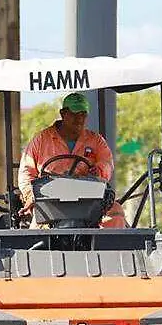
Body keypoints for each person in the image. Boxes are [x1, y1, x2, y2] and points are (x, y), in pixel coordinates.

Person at [18, 92, 127, 228]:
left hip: (88, 199)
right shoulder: (41, 140)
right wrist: (31, 197)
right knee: (37, 225)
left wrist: (98, 171)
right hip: (50, 199)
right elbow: (26, 173)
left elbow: (106, 163)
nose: (79, 119)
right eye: (74, 114)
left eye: (83, 114)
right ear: (63, 113)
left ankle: (111, 248)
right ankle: (38, 248)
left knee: (115, 213)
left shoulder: (96, 140)